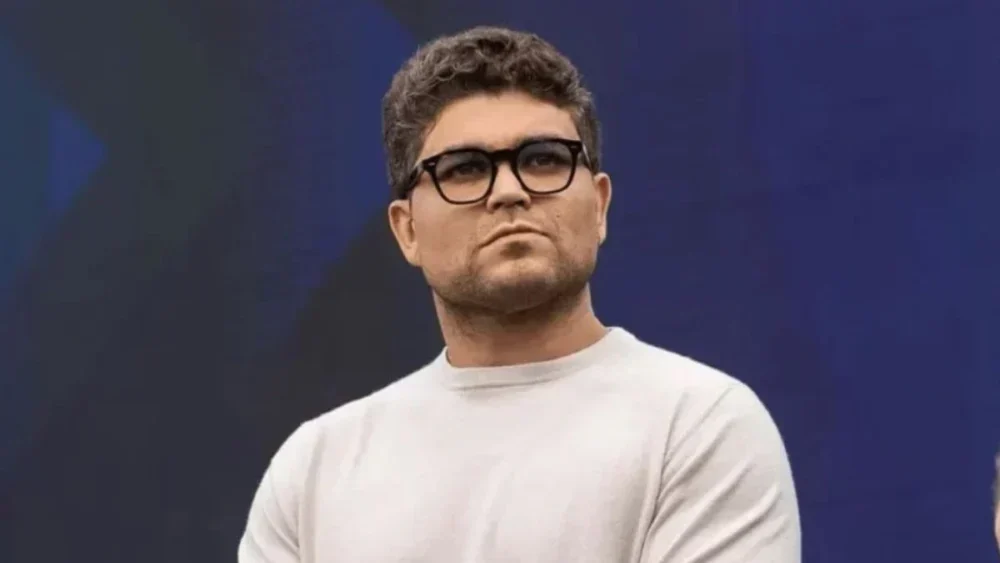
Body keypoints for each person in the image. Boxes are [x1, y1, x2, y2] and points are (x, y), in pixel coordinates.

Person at [239, 26, 800, 562]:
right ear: (407, 229)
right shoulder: (314, 470)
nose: (509, 192)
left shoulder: (700, 425)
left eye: (544, 160)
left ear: (599, 205)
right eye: (463, 169)